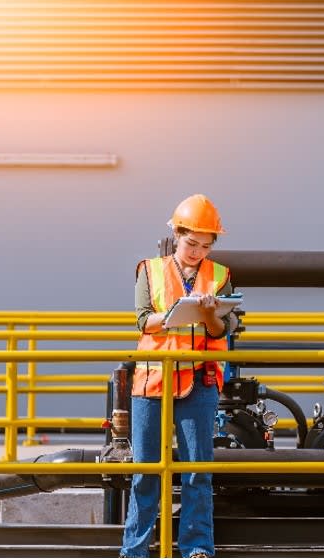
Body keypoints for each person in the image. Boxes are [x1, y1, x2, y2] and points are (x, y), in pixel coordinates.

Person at [120, 194, 234, 559]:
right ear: (176, 235)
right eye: (191, 243)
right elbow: (142, 320)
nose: (197, 251)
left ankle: (197, 548)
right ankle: (134, 551)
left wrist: (211, 313)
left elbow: (220, 331)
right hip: (153, 379)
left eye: (205, 245)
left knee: (197, 471)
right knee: (146, 472)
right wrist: (176, 313)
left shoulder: (219, 276)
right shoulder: (149, 270)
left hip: (199, 381)